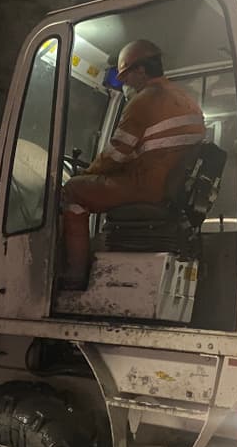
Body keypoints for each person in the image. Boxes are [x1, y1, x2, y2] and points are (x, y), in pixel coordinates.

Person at [60, 39, 205, 289]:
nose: (125, 83)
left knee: (73, 191)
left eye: (126, 76)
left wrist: (88, 172)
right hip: (170, 188)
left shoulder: (145, 100)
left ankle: (75, 275)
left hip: (145, 186)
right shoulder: (188, 101)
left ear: (141, 70)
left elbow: (116, 153)